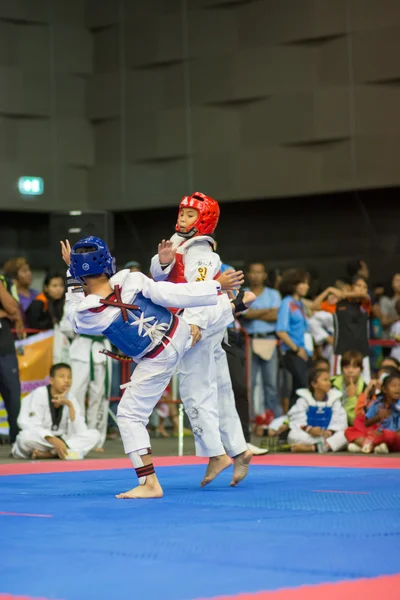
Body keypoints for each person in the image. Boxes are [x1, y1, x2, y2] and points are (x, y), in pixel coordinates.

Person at [61, 236, 248, 499]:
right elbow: (173, 293)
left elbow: (73, 309)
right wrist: (215, 286)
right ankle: (230, 307)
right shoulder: (131, 280)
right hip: (179, 331)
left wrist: (72, 271)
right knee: (196, 328)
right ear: (108, 263)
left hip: (156, 358)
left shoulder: (87, 314)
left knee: (128, 415)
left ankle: (149, 482)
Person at [150, 192, 253, 485]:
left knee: (196, 389)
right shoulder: (180, 241)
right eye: (181, 213)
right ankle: (239, 449)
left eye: (190, 215)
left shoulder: (203, 253)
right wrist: (163, 261)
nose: (182, 218)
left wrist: (193, 324)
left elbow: (204, 290)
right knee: (220, 389)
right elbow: (161, 276)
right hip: (209, 322)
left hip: (200, 321)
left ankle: (216, 454)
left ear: (204, 219)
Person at [11, 363, 100, 460]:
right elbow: (30, 425)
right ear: (51, 380)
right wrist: (51, 439)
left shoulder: (71, 398)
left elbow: (81, 430)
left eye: (69, 377)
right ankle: (61, 452)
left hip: (63, 440)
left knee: (95, 435)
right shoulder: (39, 394)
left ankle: (50, 454)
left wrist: (70, 406)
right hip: (44, 441)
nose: (66, 381)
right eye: (62, 377)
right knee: (24, 438)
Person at [240, 262, 281, 417]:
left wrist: (253, 312)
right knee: (249, 383)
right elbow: (244, 314)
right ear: (249, 274)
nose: (256, 275)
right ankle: (249, 419)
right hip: (249, 341)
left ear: (264, 275)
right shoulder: (243, 292)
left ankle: (274, 419)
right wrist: (267, 311)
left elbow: (276, 315)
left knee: (271, 383)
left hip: (269, 339)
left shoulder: (273, 294)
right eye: (253, 272)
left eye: (259, 272)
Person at [312, 276, 371, 382]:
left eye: (365, 287)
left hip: (362, 352)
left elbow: (363, 295)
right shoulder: (338, 304)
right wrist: (329, 290)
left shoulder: (365, 304)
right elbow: (314, 306)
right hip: (341, 351)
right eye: (359, 286)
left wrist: (342, 294)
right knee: (337, 383)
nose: (362, 289)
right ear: (350, 287)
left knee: (365, 383)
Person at [287, 369, 348, 453]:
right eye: (325, 380)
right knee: (292, 435)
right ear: (314, 384)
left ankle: (311, 448)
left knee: (345, 435)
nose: (329, 383)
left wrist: (328, 433)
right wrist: (310, 430)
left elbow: (340, 423)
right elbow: (297, 422)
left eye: (329, 380)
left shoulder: (334, 400)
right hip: (309, 435)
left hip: (326, 436)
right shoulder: (304, 400)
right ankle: (323, 447)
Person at [276, 269, 313, 407]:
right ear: (293, 285)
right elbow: (281, 331)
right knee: (303, 387)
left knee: (298, 389)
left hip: (305, 351)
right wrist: (297, 349)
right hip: (294, 352)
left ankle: (294, 420)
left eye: (307, 283)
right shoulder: (287, 303)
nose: (306, 286)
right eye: (302, 283)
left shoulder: (300, 304)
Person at [345, 372, 400, 453]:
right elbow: (366, 423)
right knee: (350, 430)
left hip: (392, 437)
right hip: (375, 433)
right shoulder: (377, 403)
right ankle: (374, 447)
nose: (398, 389)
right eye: (394, 386)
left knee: (389, 435)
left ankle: (365, 445)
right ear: (384, 389)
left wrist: (382, 434)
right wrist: (378, 418)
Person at [0, 277, 24, 444]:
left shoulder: (6, 282)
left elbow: (14, 309)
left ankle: (17, 437)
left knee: (13, 394)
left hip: (5, 346)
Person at [331, 350, 366, 425]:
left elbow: (355, 422)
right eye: (346, 367)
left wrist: (351, 397)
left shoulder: (366, 389)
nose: (350, 371)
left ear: (361, 369)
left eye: (355, 367)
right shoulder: (331, 383)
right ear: (342, 369)